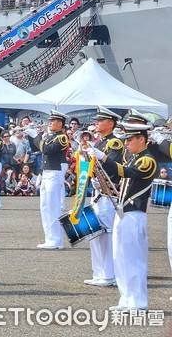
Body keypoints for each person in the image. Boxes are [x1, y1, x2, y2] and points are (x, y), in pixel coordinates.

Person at [89, 122, 156, 311]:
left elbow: (127, 172)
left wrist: (104, 159)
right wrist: (101, 183)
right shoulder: (134, 158)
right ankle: (126, 298)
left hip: (134, 214)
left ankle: (138, 301)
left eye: (130, 139)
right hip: (122, 212)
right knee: (120, 257)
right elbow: (122, 185)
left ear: (141, 139)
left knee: (133, 258)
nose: (126, 143)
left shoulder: (147, 160)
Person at [84, 106, 123, 287]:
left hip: (108, 193)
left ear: (111, 123)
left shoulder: (114, 143)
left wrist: (101, 158)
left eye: (101, 120)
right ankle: (98, 272)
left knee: (106, 234)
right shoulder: (99, 143)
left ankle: (108, 274)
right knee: (94, 233)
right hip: (97, 192)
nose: (96, 123)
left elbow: (113, 168)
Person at [26, 110, 69, 249]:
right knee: (44, 207)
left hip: (54, 173)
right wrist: (31, 136)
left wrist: (37, 135)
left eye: (53, 121)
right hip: (46, 172)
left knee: (53, 207)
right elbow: (36, 148)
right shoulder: (51, 136)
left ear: (60, 123)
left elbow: (46, 149)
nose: (50, 123)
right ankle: (49, 238)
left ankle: (57, 240)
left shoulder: (62, 137)